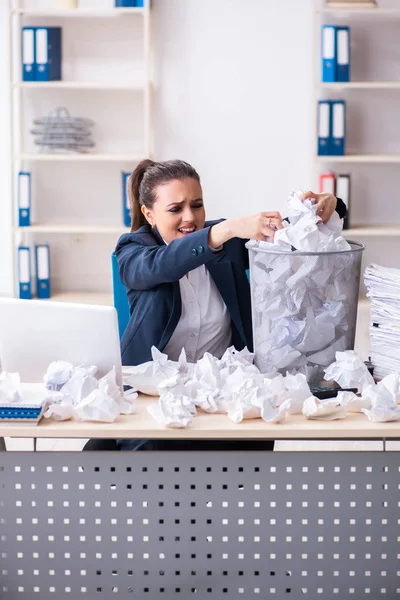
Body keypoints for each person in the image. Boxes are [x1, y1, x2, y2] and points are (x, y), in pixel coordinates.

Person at [83, 159, 346, 452]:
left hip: (223, 392)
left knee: (251, 439)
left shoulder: (227, 244)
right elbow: (162, 265)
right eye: (175, 209)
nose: (189, 217)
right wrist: (225, 229)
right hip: (153, 393)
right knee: (142, 451)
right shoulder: (134, 250)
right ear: (149, 214)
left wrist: (330, 205)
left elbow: (297, 234)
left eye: (197, 205)